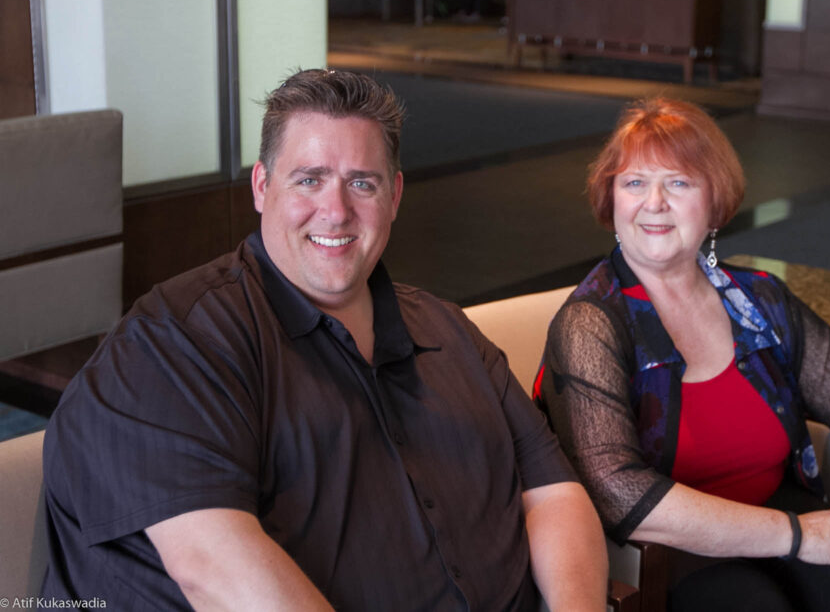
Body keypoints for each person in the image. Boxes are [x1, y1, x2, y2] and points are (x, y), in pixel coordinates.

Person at [42, 68, 607, 611]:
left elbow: (553, 493)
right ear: (262, 187)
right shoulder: (173, 343)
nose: (335, 212)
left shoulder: (446, 328)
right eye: (308, 179)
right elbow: (212, 570)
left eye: (362, 183)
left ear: (395, 196)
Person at [536, 98, 830, 612]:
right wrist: (800, 536)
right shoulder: (590, 324)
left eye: (678, 183)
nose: (653, 202)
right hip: (670, 546)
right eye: (634, 183)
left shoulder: (759, 301)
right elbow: (618, 493)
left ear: (714, 203)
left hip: (780, 511)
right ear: (611, 200)